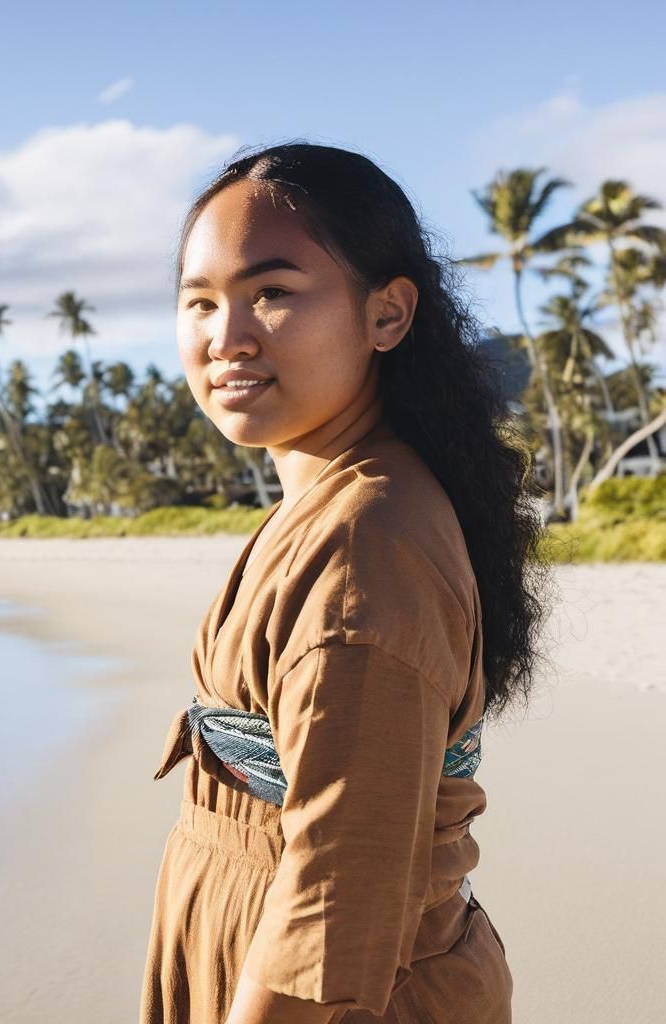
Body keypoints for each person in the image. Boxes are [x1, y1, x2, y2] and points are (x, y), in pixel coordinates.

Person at [139, 143, 551, 1024]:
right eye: (200, 301)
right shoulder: (340, 494)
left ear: (388, 315)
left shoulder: (367, 541)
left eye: (274, 293)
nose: (227, 337)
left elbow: (334, 915)